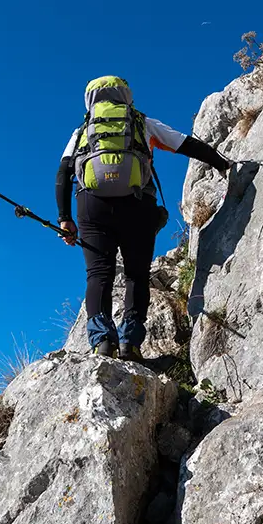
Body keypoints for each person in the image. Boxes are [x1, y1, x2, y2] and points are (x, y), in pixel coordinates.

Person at [56, 75, 232, 360]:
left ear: (90, 100)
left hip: (91, 207)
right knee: (136, 275)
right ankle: (130, 343)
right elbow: (185, 144)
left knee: (99, 274)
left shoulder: (82, 131)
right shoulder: (141, 122)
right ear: (126, 95)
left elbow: (63, 173)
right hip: (137, 206)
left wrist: (65, 218)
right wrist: (223, 164)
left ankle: (102, 341)